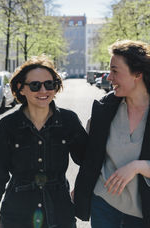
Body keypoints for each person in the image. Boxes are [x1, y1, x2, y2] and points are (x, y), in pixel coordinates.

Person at [0, 55, 88, 228]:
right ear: (21, 88)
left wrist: (81, 189)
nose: (43, 90)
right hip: (17, 216)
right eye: (35, 85)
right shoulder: (7, 126)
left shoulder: (68, 121)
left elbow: (88, 160)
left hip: (60, 213)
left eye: (49, 84)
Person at [74, 40, 150, 228]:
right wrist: (83, 184)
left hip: (143, 212)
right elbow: (92, 156)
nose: (108, 77)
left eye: (115, 71)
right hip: (103, 205)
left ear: (137, 74)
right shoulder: (105, 108)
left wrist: (137, 166)